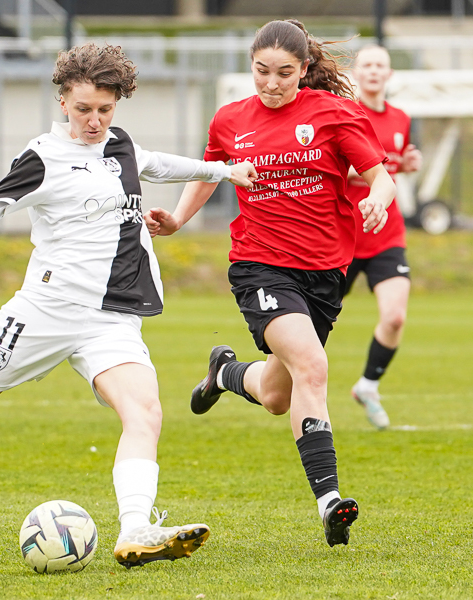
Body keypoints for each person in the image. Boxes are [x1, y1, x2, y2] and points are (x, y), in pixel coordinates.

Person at [0, 42, 257, 567]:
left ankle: (136, 529)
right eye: (83, 110)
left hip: (112, 318)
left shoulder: (120, 145)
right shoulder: (41, 159)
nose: (95, 121)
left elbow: (156, 164)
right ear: (62, 102)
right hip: (45, 311)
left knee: (144, 412)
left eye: (105, 109)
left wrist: (222, 171)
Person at [144, 19, 396, 547]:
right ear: (250, 67)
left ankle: (227, 372)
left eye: (284, 73)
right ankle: (330, 501)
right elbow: (209, 172)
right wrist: (180, 221)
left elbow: (380, 174)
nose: (271, 83)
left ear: (305, 70)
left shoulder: (333, 114)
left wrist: (378, 197)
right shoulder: (231, 120)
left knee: (280, 394)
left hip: (325, 272)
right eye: (261, 71)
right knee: (313, 365)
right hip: (260, 265)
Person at [343, 45, 422, 430]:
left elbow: (389, 171)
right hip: (343, 235)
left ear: (389, 74)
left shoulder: (401, 118)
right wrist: (377, 172)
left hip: (387, 234)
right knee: (313, 325)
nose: (374, 71)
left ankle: (368, 386)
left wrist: (404, 165)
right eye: (367, 65)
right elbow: (339, 171)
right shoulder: (343, 114)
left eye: (380, 65)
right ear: (355, 73)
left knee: (394, 316)